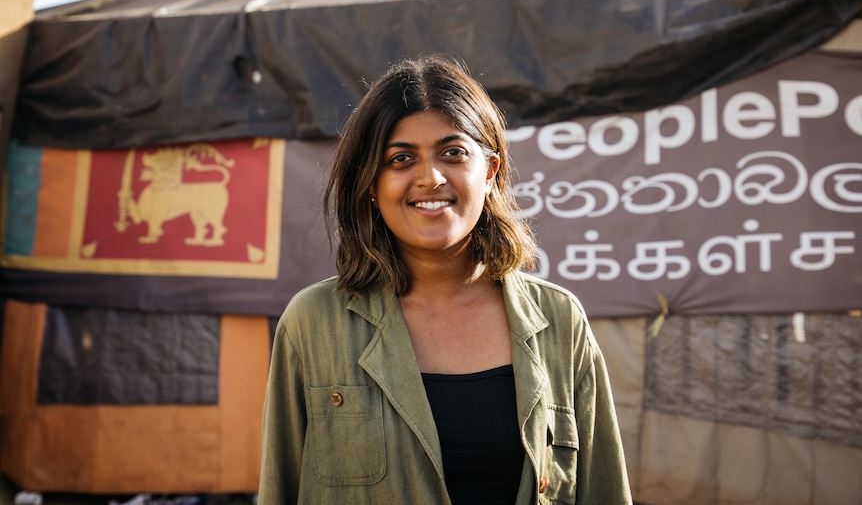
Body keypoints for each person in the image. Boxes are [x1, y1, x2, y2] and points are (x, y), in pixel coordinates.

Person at [258, 55, 632, 505]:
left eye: (453, 153)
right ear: (371, 184)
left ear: (489, 171)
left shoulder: (559, 320)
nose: (430, 178)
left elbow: (602, 490)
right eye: (400, 159)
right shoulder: (314, 323)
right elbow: (280, 488)